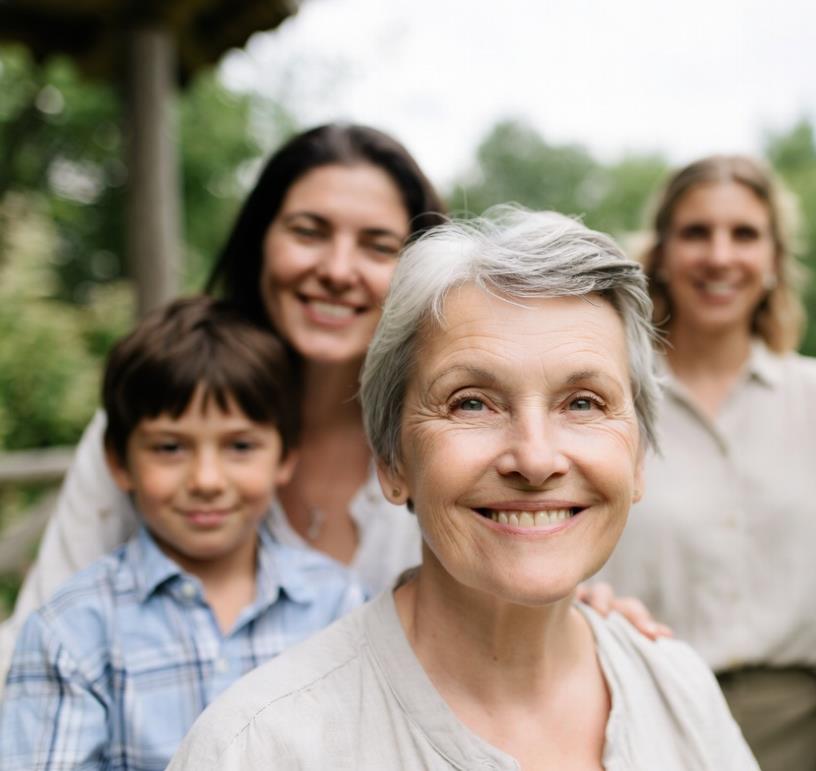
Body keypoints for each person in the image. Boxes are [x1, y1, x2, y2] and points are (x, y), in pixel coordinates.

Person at [166, 209, 758, 770]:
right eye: (471, 402)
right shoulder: (262, 746)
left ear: (637, 459)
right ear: (392, 462)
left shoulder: (680, 693)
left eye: (583, 403)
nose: (534, 458)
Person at [0, 124, 445, 688]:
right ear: (260, 241)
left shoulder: (446, 441)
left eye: (378, 246)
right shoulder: (156, 414)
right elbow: (34, 641)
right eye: (309, 232)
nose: (337, 269)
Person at [0, 297, 363, 771]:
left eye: (240, 446)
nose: (207, 480)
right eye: (170, 447)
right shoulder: (71, 632)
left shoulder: (340, 606)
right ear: (118, 461)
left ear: (285, 457)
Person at [597, 155, 816, 770]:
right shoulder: (608, 399)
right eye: (696, 233)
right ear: (659, 253)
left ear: (773, 259)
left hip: (798, 724)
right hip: (641, 708)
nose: (719, 256)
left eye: (744, 234)